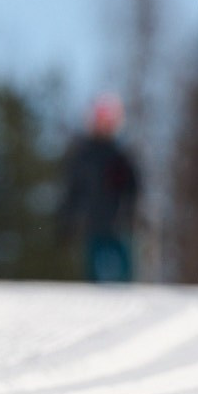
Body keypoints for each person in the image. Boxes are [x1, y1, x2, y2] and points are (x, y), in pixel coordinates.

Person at [60, 94, 142, 284]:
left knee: (124, 275)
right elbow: (74, 190)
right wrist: (67, 219)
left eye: (108, 120)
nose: (104, 124)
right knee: (94, 276)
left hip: (119, 224)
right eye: (100, 119)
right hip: (93, 224)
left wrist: (132, 213)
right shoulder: (83, 155)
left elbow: (134, 189)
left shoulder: (122, 156)